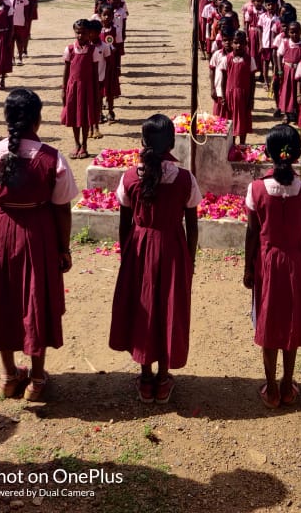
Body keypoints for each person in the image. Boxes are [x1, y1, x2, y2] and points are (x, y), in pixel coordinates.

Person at [0, 88, 78, 401]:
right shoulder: (52, 159)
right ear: (38, 120)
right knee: (36, 300)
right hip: (36, 234)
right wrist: (63, 248)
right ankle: (38, 379)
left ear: (6, 119)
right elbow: (62, 208)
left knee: (1, 299)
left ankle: (8, 374)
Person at [109, 114, 201, 404]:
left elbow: (124, 223)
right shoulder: (184, 178)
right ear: (172, 142)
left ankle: (145, 374)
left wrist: (128, 254)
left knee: (143, 307)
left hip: (138, 247)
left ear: (143, 141)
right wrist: (190, 258)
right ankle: (163, 376)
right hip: (172, 247)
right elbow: (192, 225)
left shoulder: (129, 177)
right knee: (168, 307)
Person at [243, 126, 301, 410]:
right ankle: (288, 384)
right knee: (291, 321)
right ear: (297, 153)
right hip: (297, 262)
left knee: (269, 320)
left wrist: (248, 269)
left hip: (268, 263)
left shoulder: (257, 189)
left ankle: (271, 387)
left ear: (269, 153)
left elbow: (252, 233)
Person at [61, 19, 98, 159]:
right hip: (73, 87)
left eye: (83, 33)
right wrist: (64, 89)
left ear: (89, 34)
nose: (80, 36)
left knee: (85, 117)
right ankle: (76, 143)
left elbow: (95, 72)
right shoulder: (70, 49)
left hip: (88, 87)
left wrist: (96, 91)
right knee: (74, 116)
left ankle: (85, 145)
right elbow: (66, 70)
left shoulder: (93, 50)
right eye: (78, 33)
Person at [226, 29, 256, 146]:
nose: (238, 46)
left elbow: (252, 80)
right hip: (231, 94)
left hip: (244, 95)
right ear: (232, 43)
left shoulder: (250, 59)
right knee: (232, 119)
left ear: (246, 44)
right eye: (236, 42)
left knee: (243, 119)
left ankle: (242, 144)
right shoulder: (228, 58)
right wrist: (223, 95)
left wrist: (251, 98)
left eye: (241, 43)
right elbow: (224, 78)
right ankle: (232, 144)